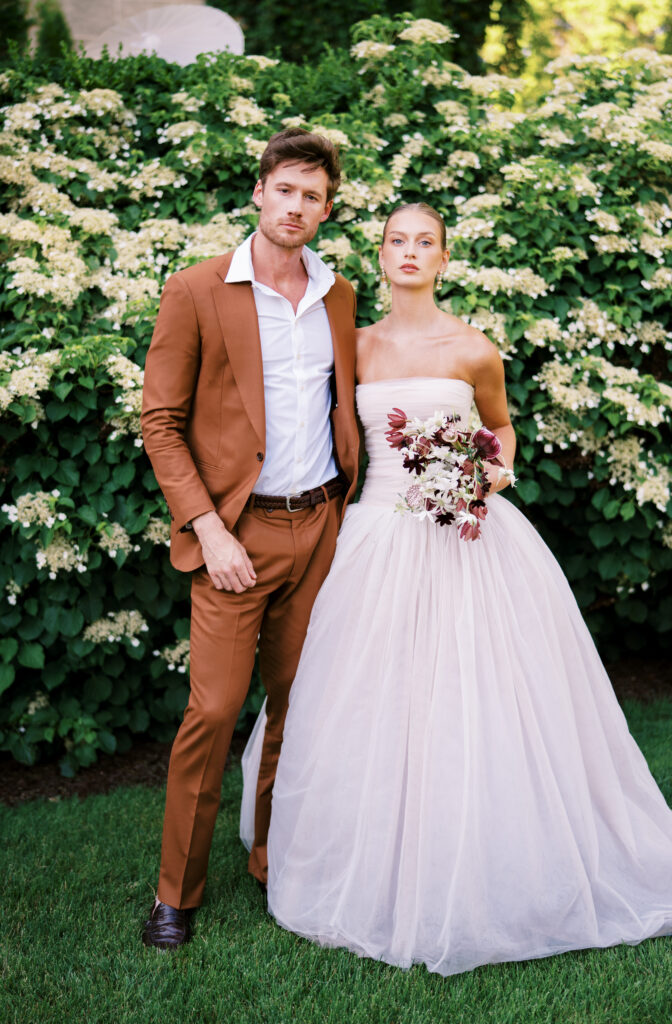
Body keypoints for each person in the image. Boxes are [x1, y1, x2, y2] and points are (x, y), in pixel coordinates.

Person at [240, 203, 672, 976]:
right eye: (395, 241)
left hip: (467, 540)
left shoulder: (473, 348)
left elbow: (501, 429)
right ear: (378, 257)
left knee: (476, 693)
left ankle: (490, 850)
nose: (409, 253)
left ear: (445, 259)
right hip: (375, 539)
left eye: (424, 243)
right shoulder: (351, 347)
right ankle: (361, 853)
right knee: (367, 699)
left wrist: (489, 473)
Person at [140, 129, 360, 949]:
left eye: (313, 196)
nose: (296, 206)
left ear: (324, 210)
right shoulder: (197, 289)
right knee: (216, 710)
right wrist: (208, 527)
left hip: (323, 528)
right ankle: (176, 892)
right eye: (286, 189)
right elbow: (160, 422)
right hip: (236, 536)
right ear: (258, 192)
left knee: (296, 711)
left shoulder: (338, 295)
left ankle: (274, 856)